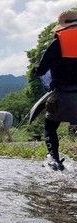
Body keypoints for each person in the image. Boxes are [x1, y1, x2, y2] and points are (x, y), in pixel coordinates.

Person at [34, 10, 77, 170]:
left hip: (64, 94)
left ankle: (55, 160)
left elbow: (42, 69)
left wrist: (36, 70)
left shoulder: (58, 42)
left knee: (50, 126)